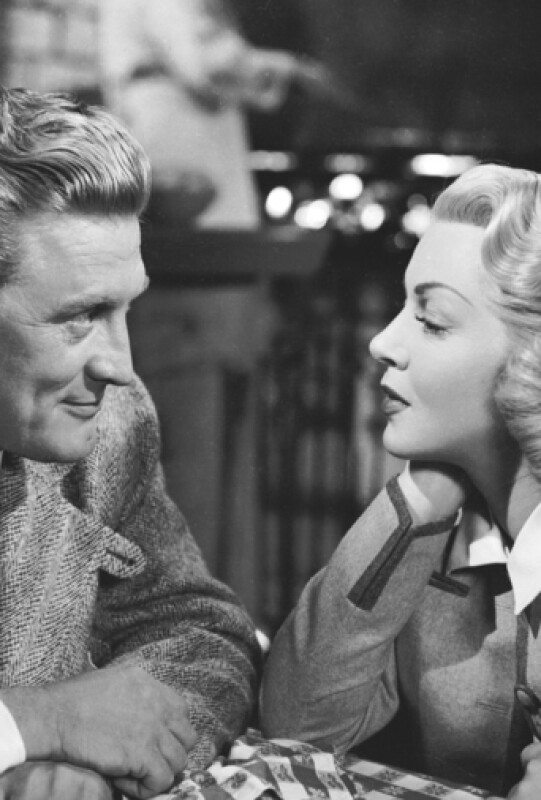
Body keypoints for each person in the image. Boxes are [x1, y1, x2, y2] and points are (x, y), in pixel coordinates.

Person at [0, 85, 260, 800]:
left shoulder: (112, 422)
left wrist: (108, 760)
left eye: (124, 309)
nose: (121, 365)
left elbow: (202, 634)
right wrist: (36, 726)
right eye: (81, 316)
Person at [260, 163, 541, 799]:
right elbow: (298, 729)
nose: (383, 342)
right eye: (402, 307)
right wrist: (412, 507)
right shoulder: (429, 538)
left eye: (432, 319)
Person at [99, 0, 311, 229]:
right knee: (198, 228)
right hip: (177, 118)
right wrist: (289, 67)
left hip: (160, 114)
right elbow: (202, 68)